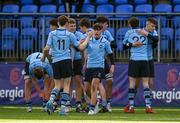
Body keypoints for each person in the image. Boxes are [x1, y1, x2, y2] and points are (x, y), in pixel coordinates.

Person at [41, 15, 79, 115]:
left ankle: (51, 100)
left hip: (55, 61)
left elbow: (46, 49)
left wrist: (44, 58)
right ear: (67, 23)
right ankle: (62, 108)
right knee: (66, 85)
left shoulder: (52, 33)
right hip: (66, 60)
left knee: (57, 85)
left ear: (58, 23)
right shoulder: (69, 34)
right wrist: (88, 37)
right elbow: (80, 46)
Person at [78, 23, 115, 115]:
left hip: (99, 67)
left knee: (94, 86)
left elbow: (110, 54)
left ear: (101, 31)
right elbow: (81, 48)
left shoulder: (105, 42)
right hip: (89, 67)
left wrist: (112, 65)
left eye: (98, 29)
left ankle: (92, 108)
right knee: (86, 89)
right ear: (93, 31)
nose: (96, 31)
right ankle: (96, 102)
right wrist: (86, 38)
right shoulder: (89, 40)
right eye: (95, 29)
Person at [124, 17, 158, 113]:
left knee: (149, 83)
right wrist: (132, 44)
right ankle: (131, 105)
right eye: (152, 26)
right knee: (139, 83)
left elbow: (156, 40)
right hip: (143, 59)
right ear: (147, 24)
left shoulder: (151, 33)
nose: (154, 28)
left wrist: (146, 34)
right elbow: (125, 45)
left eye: (154, 26)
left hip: (148, 59)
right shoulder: (138, 32)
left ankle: (147, 106)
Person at [96, 16, 117, 112]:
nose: (107, 25)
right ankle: (95, 103)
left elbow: (114, 45)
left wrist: (106, 43)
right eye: (105, 24)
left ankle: (108, 103)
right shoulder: (93, 33)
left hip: (104, 61)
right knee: (95, 84)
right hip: (95, 62)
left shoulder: (107, 33)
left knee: (110, 81)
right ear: (101, 24)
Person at [67, 18, 86, 112]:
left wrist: (73, 45)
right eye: (71, 26)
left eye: (74, 25)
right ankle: (68, 103)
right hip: (67, 60)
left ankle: (78, 103)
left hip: (77, 59)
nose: (73, 27)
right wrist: (76, 44)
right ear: (67, 26)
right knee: (69, 82)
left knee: (78, 81)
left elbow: (82, 46)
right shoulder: (65, 34)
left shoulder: (79, 34)